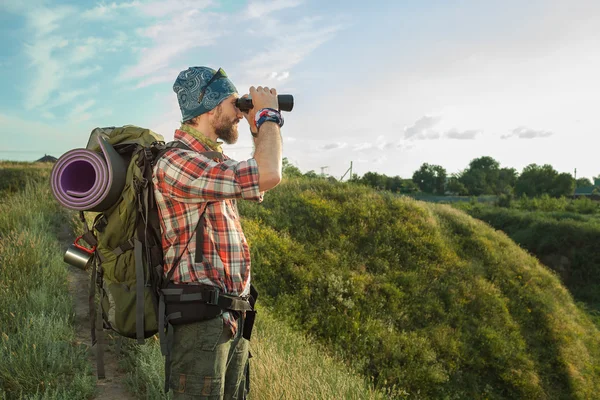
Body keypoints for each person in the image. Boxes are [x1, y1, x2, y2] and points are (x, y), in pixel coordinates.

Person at [152, 66, 283, 399]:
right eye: (233, 103)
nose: (240, 112)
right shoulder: (178, 161)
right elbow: (268, 173)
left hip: (229, 318)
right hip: (202, 323)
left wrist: (256, 129)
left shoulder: (209, 160)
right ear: (208, 108)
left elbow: (259, 182)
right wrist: (268, 116)